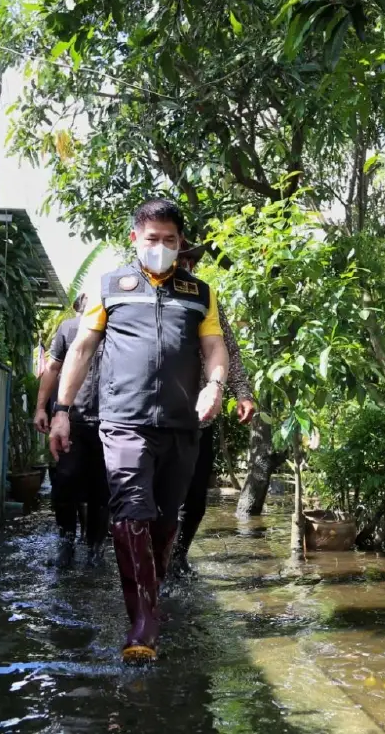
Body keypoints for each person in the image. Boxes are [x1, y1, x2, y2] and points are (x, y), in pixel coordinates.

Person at [50, 199, 229, 663]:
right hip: (124, 421)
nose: (161, 247)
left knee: (165, 519)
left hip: (182, 424)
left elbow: (215, 347)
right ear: (135, 238)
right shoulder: (110, 286)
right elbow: (81, 350)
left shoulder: (200, 293)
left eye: (170, 240)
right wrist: (62, 411)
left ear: (180, 242)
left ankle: (151, 592)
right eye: (152, 239)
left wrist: (214, 386)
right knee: (131, 512)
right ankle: (143, 623)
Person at [168, 242, 256, 580]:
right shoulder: (146, 300)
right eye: (180, 260)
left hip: (200, 418)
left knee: (194, 499)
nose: (184, 266)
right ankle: (153, 561)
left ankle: (177, 558)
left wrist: (242, 393)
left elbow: (228, 350)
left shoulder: (205, 301)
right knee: (156, 496)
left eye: (188, 261)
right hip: (154, 418)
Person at [34, 293, 109, 569]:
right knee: (65, 483)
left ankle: (96, 549)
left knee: (103, 489)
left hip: (111, 421)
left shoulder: (120, 327)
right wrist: (41, 408)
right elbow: (52, 368)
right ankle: (65, 544)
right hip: (72, 420)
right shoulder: (69, 328)